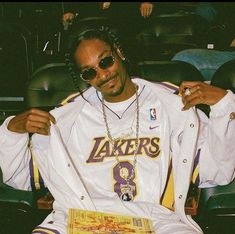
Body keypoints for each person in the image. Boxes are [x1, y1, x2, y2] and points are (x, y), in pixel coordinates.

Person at [0, 27, 234, 234]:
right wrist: (13, 130)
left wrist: (224, 107)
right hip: (80, 217)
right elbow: (21, 178)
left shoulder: (172, 105)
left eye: (105, 61)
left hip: (157, 219)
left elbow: (217, 173)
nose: (102, 75)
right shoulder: (66, 118)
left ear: (119, 53)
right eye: (89, 72)